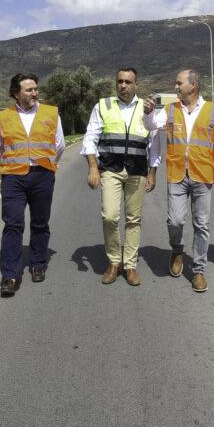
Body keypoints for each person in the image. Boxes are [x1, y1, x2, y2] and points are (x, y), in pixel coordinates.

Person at [143, 69, 214, 293]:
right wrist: (148, 113)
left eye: (179, 83)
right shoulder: (170, 109)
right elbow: (151, 126)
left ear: (193, 85)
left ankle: (199, 270)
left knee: (201, 225)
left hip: (203, 176)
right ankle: (177, 249)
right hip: (177, 175)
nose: (176, 87)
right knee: (175, 221)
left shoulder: (213, 110)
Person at [82, 68, 159, 286]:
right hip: (110, 169)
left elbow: (154, 144)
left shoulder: (147, 108)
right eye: (119, 81)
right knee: (110, 216)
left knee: (134, 219)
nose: (123, 85)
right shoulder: (103, 106)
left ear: (136, 85)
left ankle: (130, 265)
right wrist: (93, 167)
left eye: (128, 82)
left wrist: (153, 173)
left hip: (137, 170)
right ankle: (114, 261)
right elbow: (90, 138)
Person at [0, 73, 64, 297]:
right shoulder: (4, 116)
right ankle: (10, 275)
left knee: (40, 222)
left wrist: (48, 165)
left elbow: (59, 144)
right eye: (29, 90)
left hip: (42, 174)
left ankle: (37, 263)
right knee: (13, 224)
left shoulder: (51, 112)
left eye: (35, 88)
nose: (35, 93)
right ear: (16, 93)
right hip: (13, 177)